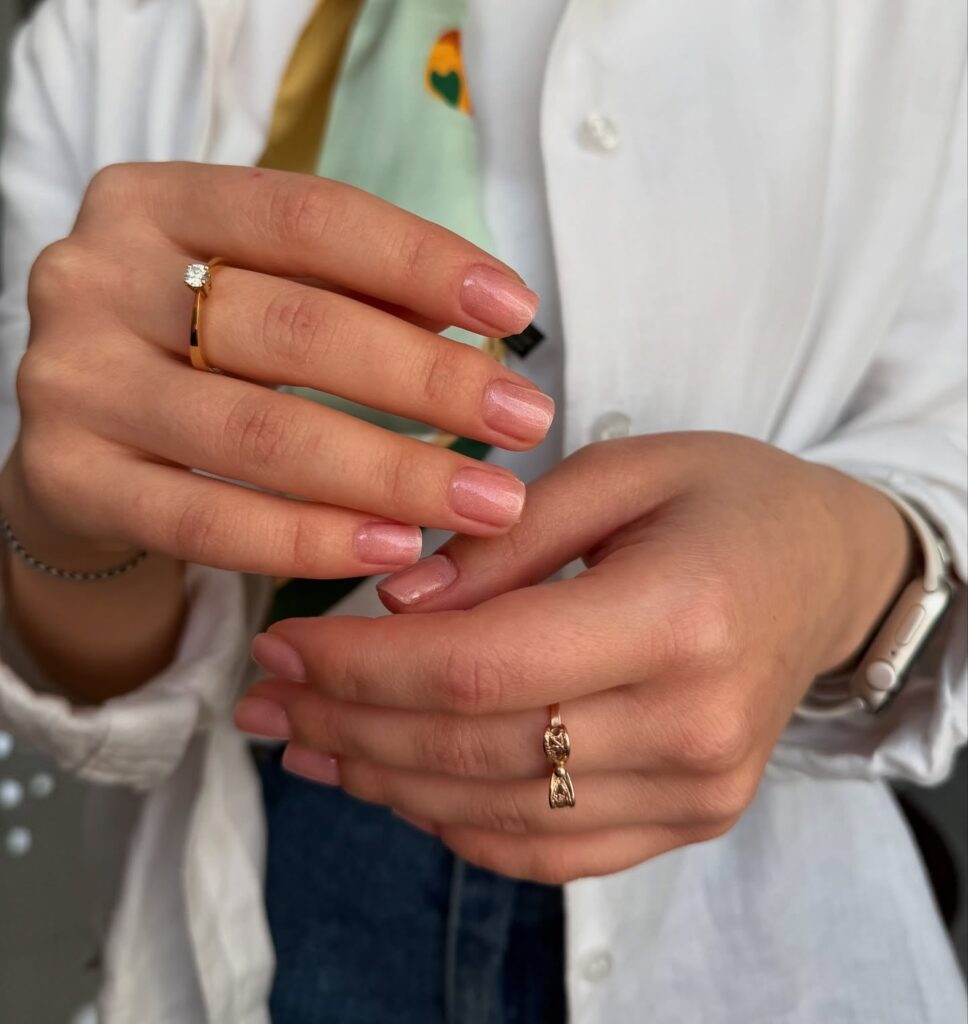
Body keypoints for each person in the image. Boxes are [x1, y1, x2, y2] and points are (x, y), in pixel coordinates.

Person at [0, 1, 965, 1022]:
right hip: (272, 886)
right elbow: (89, 680)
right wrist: (67, 526)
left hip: (762, 923)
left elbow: (944, 447)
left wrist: (827, 568)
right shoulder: (106, 27)